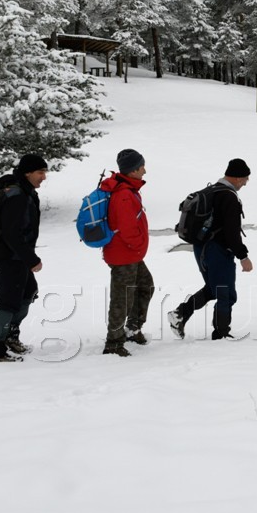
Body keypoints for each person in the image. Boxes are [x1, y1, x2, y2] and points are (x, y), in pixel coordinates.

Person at [169, 158, 254, 340]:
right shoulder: (229, 197)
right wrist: (243, 256)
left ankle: (181, 314)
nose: (246, 183)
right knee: (226, 293)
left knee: (214, 288)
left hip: (201, 249)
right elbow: (232, 233)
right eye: (246, 179)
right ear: (238, 178)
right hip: (217, 251)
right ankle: (221, 334)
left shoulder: (212, 190)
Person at [0, 153, 47, 363]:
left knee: (28, 292)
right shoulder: (17, 195)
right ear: (28, 172)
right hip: (9, 256)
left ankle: (10, 337)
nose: (44, 177)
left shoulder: (24, 191)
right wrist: (31, 259)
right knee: (9, 301)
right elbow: (12, 233)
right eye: (40, 172)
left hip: (17, 256)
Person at [101, 148, 154, 357]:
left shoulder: (127, 189)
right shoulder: (123, 194)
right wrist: (138, 244)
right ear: (133, 170)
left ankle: (132, 329)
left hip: (130, 254)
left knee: (145, 286)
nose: (145, 171)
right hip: (124, 254)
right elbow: (126, 227)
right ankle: (113, 343)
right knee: (122, 298)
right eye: (142, 167)